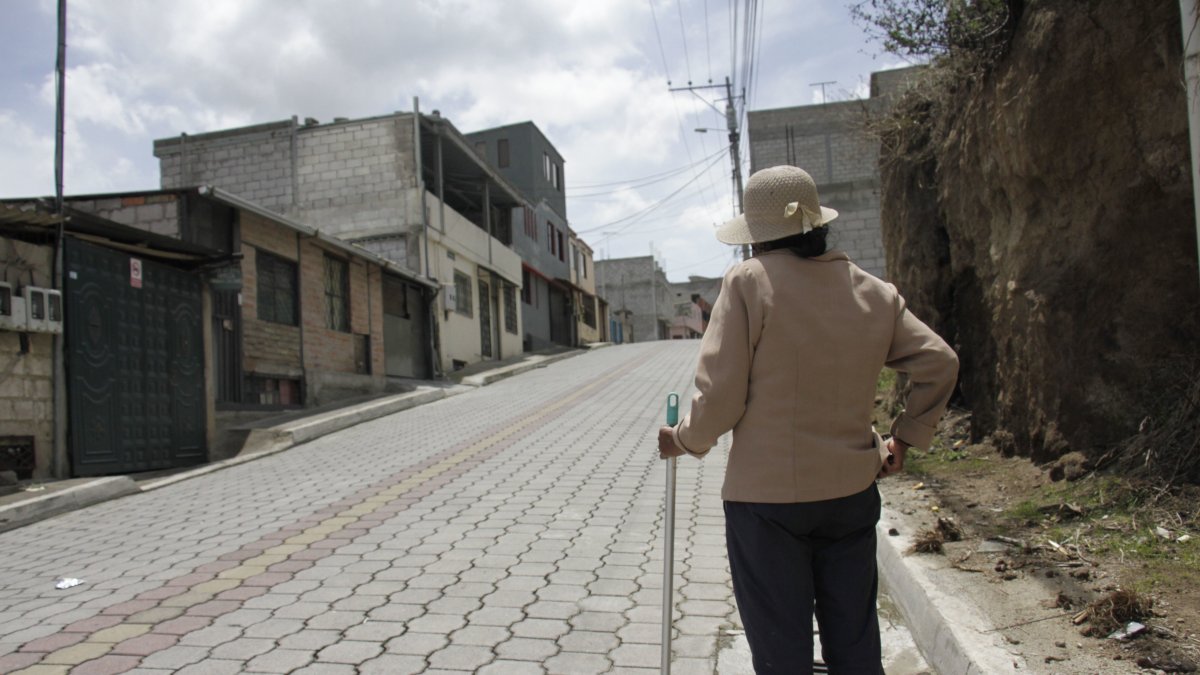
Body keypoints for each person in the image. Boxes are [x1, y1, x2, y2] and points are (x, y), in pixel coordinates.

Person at [657, 165, 958, 674]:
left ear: (756, 238)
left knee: (782, 652)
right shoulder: (874, 292)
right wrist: (904, 439)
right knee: (855, 642)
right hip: (850, 495)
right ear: (818, 226)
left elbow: (721, 399)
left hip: (766, 504)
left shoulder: (749, 282)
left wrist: (683, 440)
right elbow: (940, 362)